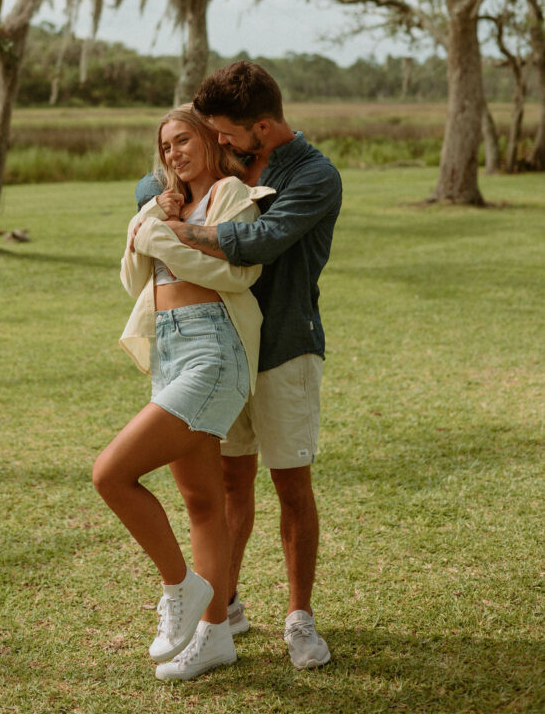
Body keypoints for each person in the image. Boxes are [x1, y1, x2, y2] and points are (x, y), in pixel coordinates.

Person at [135, 62, 342, 670]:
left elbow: (255, 244)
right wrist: (165, 202)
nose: (217, 140)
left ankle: (299, 618)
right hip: (222, 351)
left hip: (282, 344)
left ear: (262, 126)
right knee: (229, 482)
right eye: (213, 133)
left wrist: (172, 228)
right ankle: (222, 609)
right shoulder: (226, 165)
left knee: (291, 484)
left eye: (226, 133)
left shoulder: (313, 175)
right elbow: (159, 183)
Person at [92, 104, 274, 682]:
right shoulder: (162, 205)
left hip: (214, 351)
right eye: (166, 146)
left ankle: (183, 588)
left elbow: (239, 276)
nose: (173, 153)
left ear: (210, 141)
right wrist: (153, 220)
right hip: (169, 351)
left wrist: (164, 239)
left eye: (183, 140)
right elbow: (131, 279)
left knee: (111, 474)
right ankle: (215, 635)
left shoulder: (232, 196)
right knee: (202, 501)